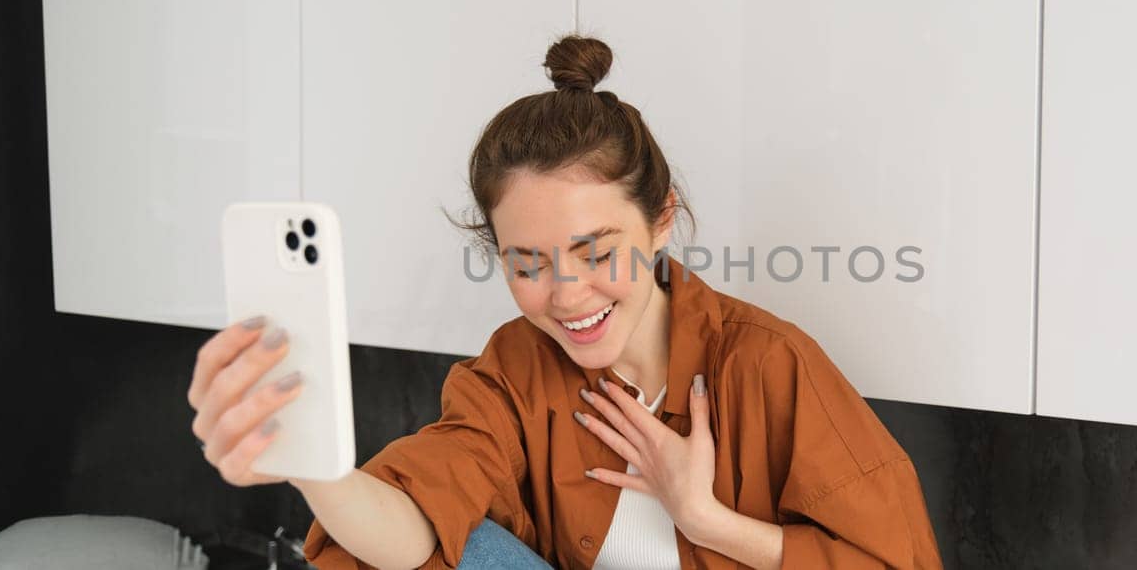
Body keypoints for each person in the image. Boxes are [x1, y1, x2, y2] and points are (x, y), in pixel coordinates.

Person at [188, 35, 943, 569]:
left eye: (596, 250)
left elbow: (896, 560)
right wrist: (307, 463)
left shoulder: (767, 364)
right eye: (527, 262)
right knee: (465, 545)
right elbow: (422, 527)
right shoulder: (517, 368)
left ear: (661, 219)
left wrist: (706, 519)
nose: (566, 294)